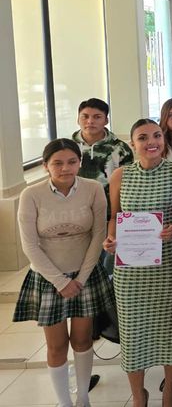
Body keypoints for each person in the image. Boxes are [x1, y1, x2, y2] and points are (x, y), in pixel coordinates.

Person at [102, 119, 172, 407]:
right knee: (132, 333)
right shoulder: (120, 175)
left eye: (156, 135)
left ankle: (169, 389)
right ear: (132, 144)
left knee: (169, 329)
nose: (151, 141)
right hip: (130, 270)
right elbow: (114, 217)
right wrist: (109, 239)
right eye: (143, 137)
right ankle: (138, 393)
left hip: (167, 265)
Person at [14, 139, 114, 407]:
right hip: (48, 279)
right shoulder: (31, 195)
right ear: (46, 165)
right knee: (57, 345)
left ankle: (82, 398)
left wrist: (80, 279)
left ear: (80, 162)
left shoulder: (93, 189)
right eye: (57, 163)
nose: (65, 168)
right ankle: (64, 402)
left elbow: (98, 236)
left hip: (85, 275)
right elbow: (29, 245)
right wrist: (60, 281)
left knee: (82, 340)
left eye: (71, 161)